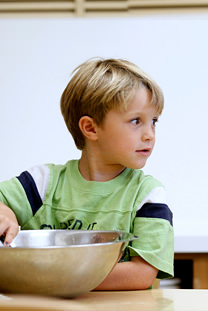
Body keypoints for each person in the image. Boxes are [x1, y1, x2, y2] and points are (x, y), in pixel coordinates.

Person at [0, 58, 174, 290]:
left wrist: (52, 275)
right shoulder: (43, 183)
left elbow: (141, 274)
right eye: (136, 121)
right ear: (91, 128)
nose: (149, 134)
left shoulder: (147, 195)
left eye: (153, 122)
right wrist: (5, 215)